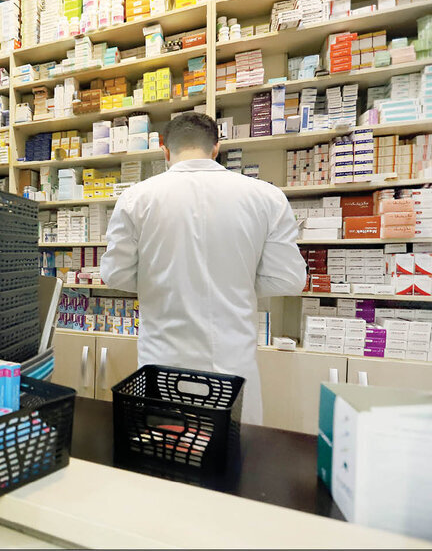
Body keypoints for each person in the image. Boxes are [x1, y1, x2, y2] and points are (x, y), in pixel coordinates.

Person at [100, 113, 306, 424]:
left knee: (164, 447)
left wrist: (163, 279)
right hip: (233, 368)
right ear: (216, 148)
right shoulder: (267, 196)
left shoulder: (136, 199)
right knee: (232, 447)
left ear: (164, 151)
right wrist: (235, 280)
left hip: (163, 367)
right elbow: (289, 280)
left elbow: (115, 274)